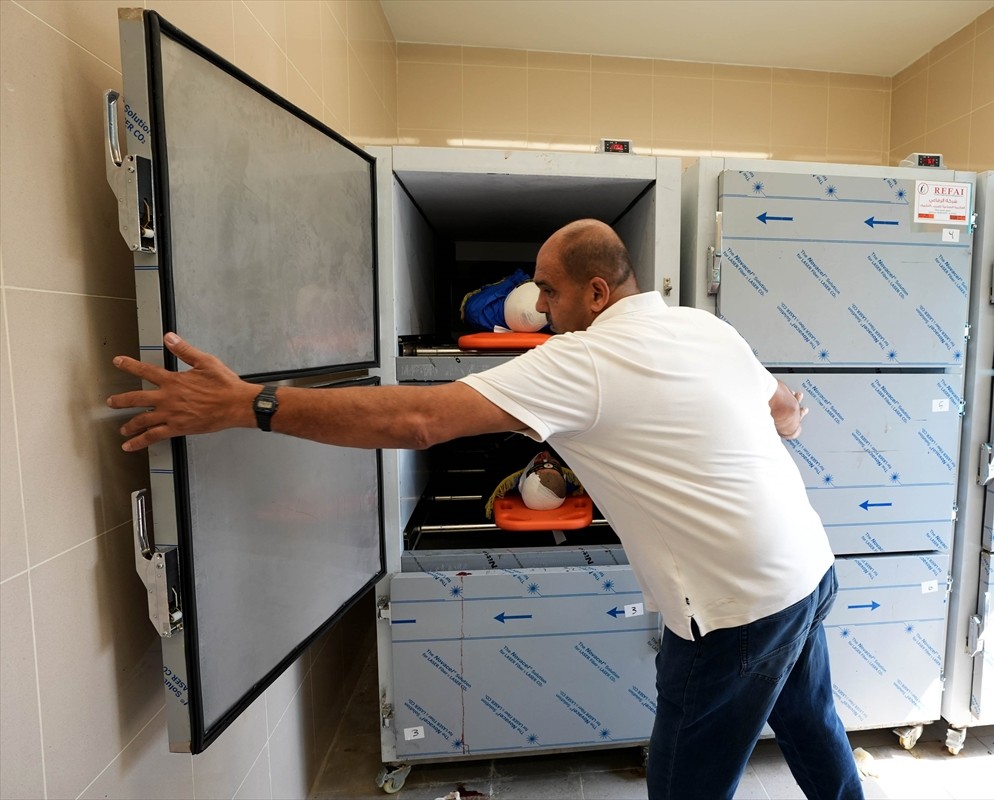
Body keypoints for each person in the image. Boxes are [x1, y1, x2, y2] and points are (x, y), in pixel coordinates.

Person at [108, 219, 864, 800]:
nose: (537, 304)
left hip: (732, 613)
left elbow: (418, 422)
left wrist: (251, 403)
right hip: (805, 569)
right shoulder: (704, 325)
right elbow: (785, 415)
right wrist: (781, 406)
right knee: (810, 722)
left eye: (550, 290)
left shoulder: (584, 358)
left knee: (683, 784)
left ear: (597, 294)